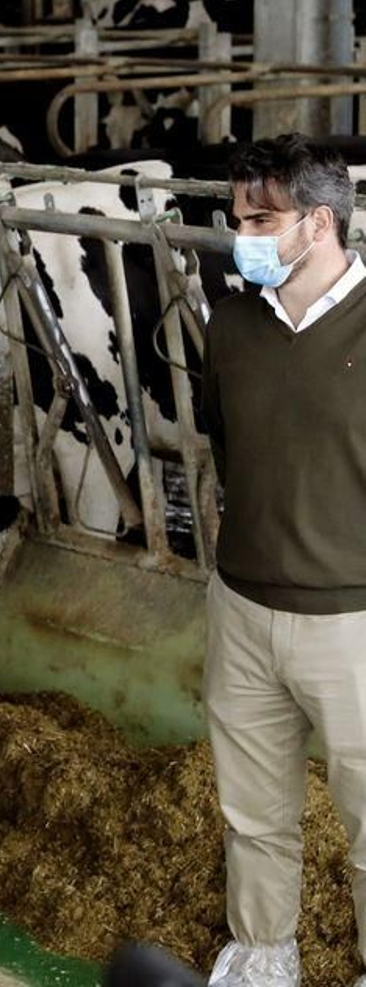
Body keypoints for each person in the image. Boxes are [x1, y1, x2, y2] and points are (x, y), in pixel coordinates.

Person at [201, 135, 366, 987]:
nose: (243, 235)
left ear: (320, 222)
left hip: (355, 621)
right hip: (244, 607)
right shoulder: (230, 325)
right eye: (237, 219)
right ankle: (264, 955)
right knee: (253, 811)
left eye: (261, 219)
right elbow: (229, 444)